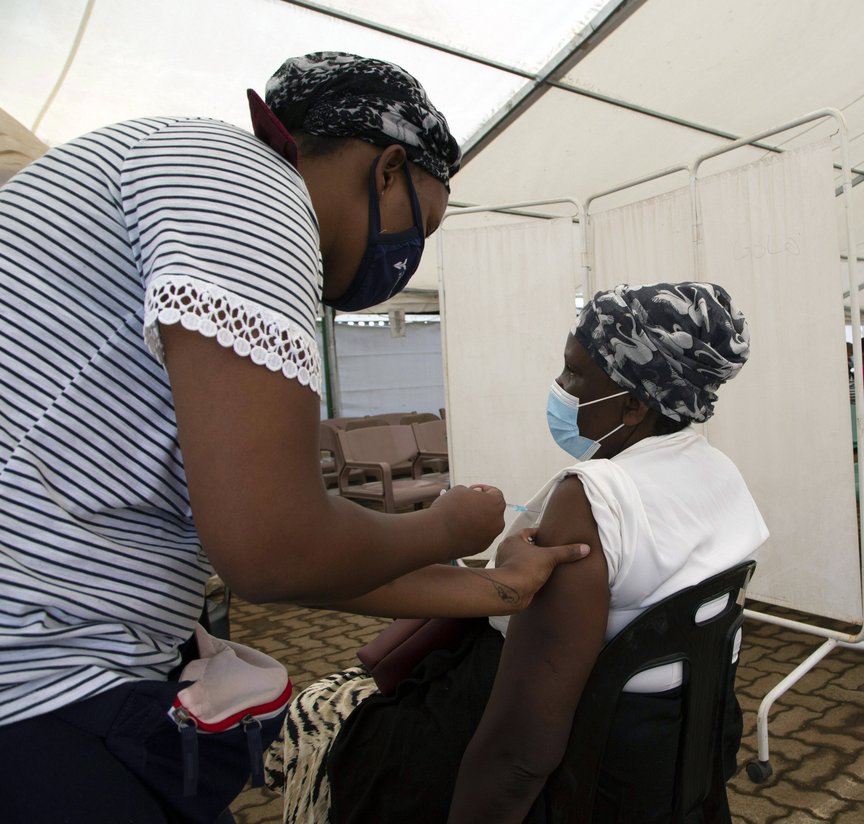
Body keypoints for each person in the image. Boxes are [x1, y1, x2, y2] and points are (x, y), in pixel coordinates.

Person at [0, 52, 585, 822]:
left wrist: (495, 590)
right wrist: (447, 524)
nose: (412, 255)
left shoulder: (165, 168)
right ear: (387, 169)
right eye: (425, 223)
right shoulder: (250, 191)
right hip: (43, 688)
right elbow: (275, 550)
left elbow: (293, 555)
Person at [267, 282, 770, 823]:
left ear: (631, 405)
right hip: (676, 759)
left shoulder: (594, 496)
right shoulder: (719, 472)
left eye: (575, 374)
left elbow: (520, 752)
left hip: (591, 775)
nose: (560, 387)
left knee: (347, 731)